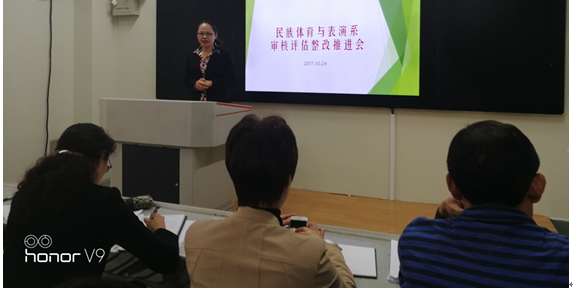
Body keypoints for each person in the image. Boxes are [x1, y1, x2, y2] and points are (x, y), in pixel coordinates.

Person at [184, 114, 356, 287]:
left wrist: (268, 225)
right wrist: (326, 247)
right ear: (288, 180)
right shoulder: (311, 255)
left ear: (232, 172)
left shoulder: (195, 236)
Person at [3, 123, 180, 287]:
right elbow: (166, 261)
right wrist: (161, 229)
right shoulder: (103, 202)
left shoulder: (26, 195)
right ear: (99, 160)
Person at [398, 120, 569, 288]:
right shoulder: (564, 260)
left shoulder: (416, 242)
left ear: (452, 186)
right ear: (538, 186)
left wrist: (441, 216)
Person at [183, 21, 237, 102]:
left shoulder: (225, 55)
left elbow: (232, 80)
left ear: (215, 35)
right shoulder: (192, 56)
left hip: (218, 101)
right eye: (201, 33)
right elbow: (186, 78)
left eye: (208, 34)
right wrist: (195, 84)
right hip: (196, 102)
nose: (204, 37)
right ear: (197, 36)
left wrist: (212, 83)